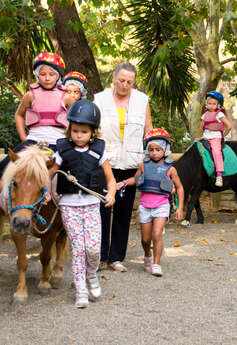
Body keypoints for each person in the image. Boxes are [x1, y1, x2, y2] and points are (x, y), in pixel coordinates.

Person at [0, 52, 75, 224]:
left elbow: (75, 121)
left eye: (51, 74)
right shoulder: (30, 95)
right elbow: (19, 115)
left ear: (58, 76)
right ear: (37, 75)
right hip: (33, 140)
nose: (47, 78)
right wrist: (23, 136)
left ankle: (70, 210)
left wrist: (69, 139)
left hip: (57, 142)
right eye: (42, 74)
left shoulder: (67, 97)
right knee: (4, 164)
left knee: (71, 167)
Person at [48, 99, 116, 308]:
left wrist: (111, 193)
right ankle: (81, 290)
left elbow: (110, 178)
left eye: (84, 132)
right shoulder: (62, 150)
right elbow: (49, 174)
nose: (79, 135)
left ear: (92, 132)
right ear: (70, 130)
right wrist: (45, 191)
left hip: (92, 203)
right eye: (75, 131)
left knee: (93, 249)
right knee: (78, 248)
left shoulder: (98, 150)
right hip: (69, 205)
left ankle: (91, 275)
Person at [94, 62, 153, 272]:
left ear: (134, 82)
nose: (125, 85)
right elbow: (93, 130)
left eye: (129, 81)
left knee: (123, 212)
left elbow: (149, 131)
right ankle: (100, 256)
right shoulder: (99, 99)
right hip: (105, 163)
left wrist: (146, 158)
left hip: (131, 164)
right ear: (114, 78)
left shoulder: (141, 100)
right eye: (121, 80)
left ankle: (116, 257)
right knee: (101, 210)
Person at [119, 128, 184, 277]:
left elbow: (180, 188)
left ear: (165, 149)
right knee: (145, 239)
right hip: (145, 206)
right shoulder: (143, 165)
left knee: (157, 235)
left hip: (161, 206)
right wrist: (122, 183)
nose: (154, 152)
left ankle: (156, 264)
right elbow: (135, 179)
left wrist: (180, 208)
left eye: (158, 149)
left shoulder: (171, 168)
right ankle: (147, 254)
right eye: (151, 149)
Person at [200, 90, 233, 187]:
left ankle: (219, 175)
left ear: (218, 105)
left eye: (214, 104)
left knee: (216, 152)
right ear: (206, 104)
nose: (211, 105)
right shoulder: (204, 114)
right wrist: (205, 131)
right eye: (209, 103)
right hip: (205, 137)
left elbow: (229, 126)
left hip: (215, 137)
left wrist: (223, 135)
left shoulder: (219, 114)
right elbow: (201, 126)